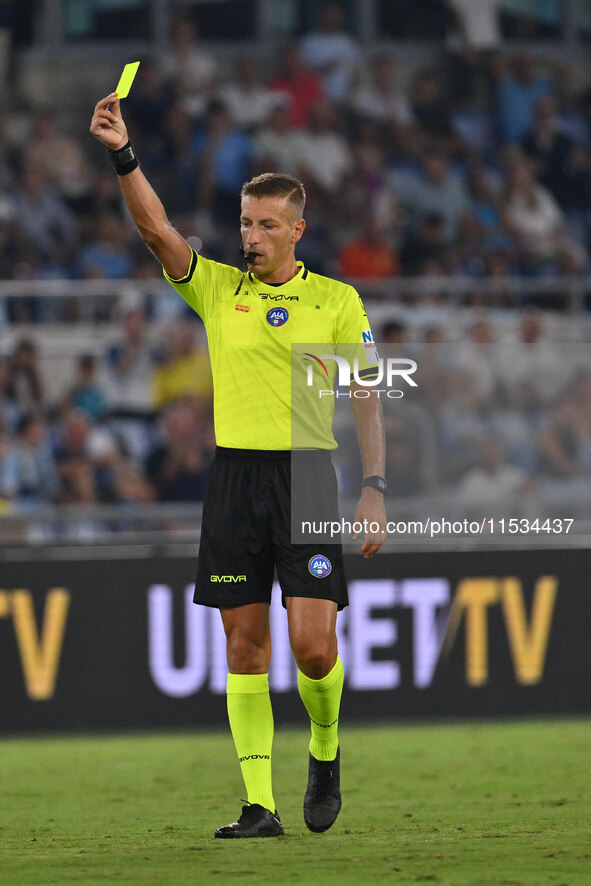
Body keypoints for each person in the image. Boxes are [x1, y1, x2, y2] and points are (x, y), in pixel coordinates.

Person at [90, 92, 387, 839]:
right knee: (244, 645)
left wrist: (375, 487)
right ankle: (260, 805)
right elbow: (156, 229)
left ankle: (324, 750)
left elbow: (367, 400)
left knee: (313, 645)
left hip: (309, 477)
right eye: (245, 223)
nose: (249, 236)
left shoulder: (338, 302)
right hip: (234, 480)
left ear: (296, 232)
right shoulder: (219, 290)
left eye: (264, 226)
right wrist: (124, 153)